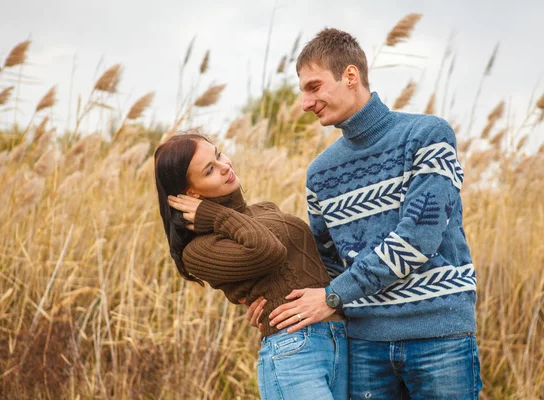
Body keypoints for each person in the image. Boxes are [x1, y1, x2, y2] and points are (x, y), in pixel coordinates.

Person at [252, 28, 483, 399]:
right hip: (364, 347)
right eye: (302, 91)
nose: (305, 102)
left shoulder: (427, 135)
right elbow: (326, 263)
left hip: (437, 337)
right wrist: (271, 299)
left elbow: (417, 239)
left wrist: (331, 297)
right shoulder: (320, 173)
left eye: (313, 87)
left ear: (350, 75)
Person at [154, 132, 348, 400]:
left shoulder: (264, 210)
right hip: (294, 348)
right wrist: (217, 214)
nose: (225, 167)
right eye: (210, 170)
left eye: (219, 154)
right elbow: (268, 250)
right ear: (192, 193)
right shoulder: (198, 250)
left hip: (338, 337)